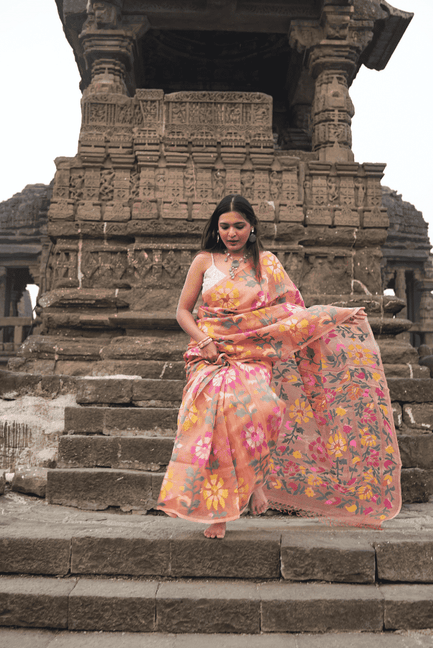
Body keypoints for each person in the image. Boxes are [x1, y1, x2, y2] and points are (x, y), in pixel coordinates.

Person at [157, 194, 401, 538]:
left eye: (239, 226)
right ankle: (220, 513)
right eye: (224, 226)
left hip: (254, 354)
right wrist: (204, 341)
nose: (231, 233)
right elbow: (183, 311)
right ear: (216, 228)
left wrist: (337, 316)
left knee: (264, 409)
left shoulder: (267, 263)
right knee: (217, 415)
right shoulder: (203, 261)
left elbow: (291, 311)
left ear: (252, 226)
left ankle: (256, 477)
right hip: (209, 354)